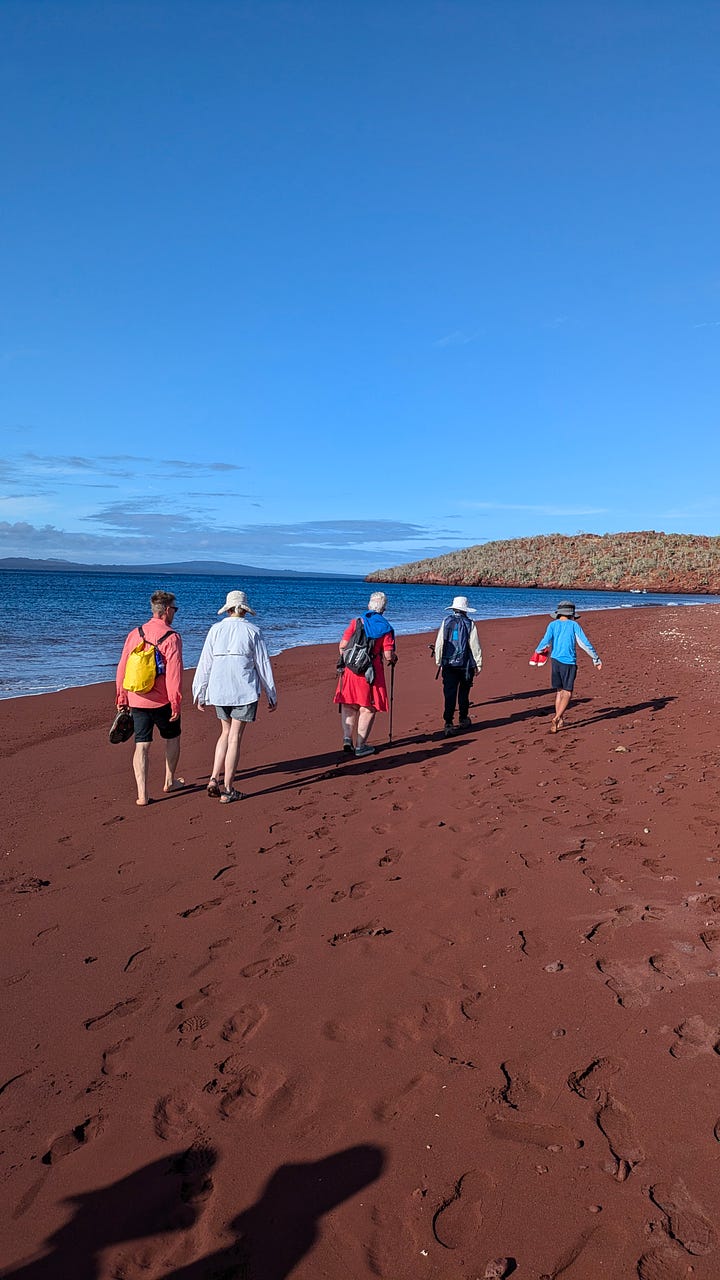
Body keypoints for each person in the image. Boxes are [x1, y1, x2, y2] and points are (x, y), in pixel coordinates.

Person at [192, 589, 277, 803]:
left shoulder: (215, 629)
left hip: (219, 689)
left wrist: (199, 691)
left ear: (228, 609)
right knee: (234, 737)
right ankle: (228, 788)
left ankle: (213, 778)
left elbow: (205, 662)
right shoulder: (252, 631)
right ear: (244, 610)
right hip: (243, 690)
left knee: (225, 732)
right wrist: (271, 693)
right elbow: (263, 664)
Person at [115, 590, 184, 806]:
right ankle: (170, 781)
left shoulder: (135, 633)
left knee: (141, 745)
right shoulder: (172, 637)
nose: (175, 612)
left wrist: (121, 696)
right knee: (172, 738)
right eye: (174, 609)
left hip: (136, 697)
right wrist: (176, 702)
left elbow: (123, 667)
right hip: (162, 700)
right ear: (165, 611)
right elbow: (174, 673)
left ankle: (142, 795)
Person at [334, 591, 397, 757]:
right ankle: (361, 746)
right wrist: (393, 658)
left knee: (349, 704)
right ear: (384, 608)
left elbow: (342, 646)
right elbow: (388, 655)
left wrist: (351, 660)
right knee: (367, 707)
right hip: (371, 672)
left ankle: (347, 738)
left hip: (351, 669)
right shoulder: (385, 627)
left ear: (369, 605)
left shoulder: (356, 621)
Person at [534, 600, 602, 733]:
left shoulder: (552, 625)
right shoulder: (574, 625)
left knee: (559, 692)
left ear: (559, 614)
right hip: (569, 662)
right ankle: (557, 717)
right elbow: (584, 643)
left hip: (555, 661)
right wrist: (595, 658)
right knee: (568, 692)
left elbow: (545, 641)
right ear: (572, 614)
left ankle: (560, 720)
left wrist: (537, 651)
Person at [434, 595, 483, 737]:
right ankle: (463, 718)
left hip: (448, 664)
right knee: (464, 692)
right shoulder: (470, 623)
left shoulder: (446, 621)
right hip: (465, 665)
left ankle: (448, 722)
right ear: (465, 609)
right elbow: (475, 646)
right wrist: (478, 664)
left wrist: (439, 661)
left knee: (449, 694)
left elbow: (440, 644)